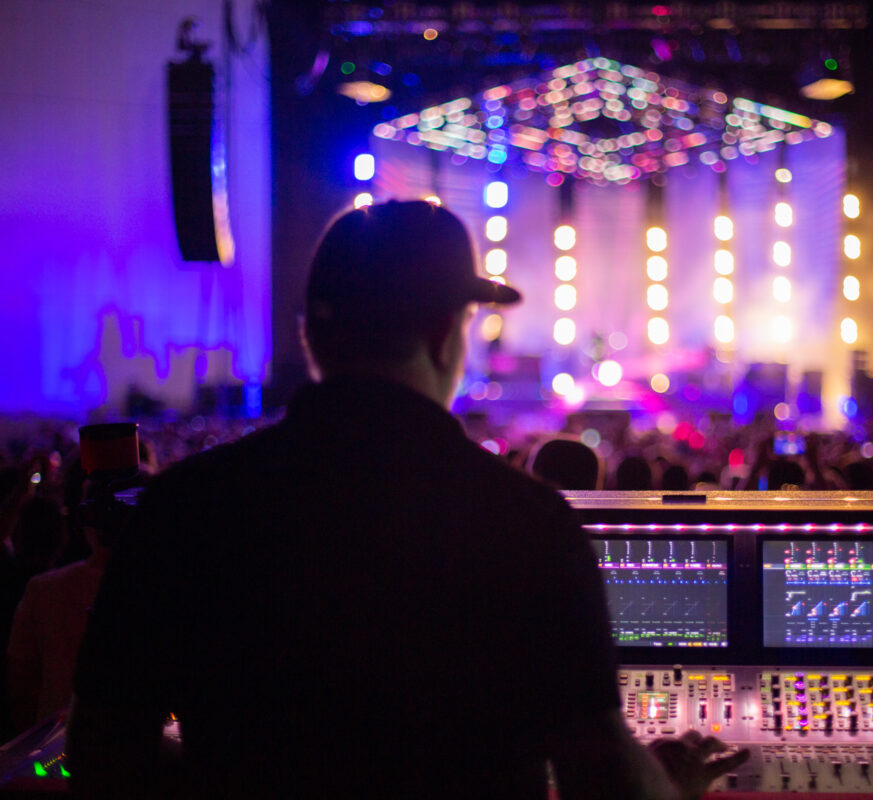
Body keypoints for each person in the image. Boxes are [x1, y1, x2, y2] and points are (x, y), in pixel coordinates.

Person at [68, 200, 746, 799]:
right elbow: (601, 780)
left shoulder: (184, 508)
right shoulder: (526, 523)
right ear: (445, 334)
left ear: (310, 336)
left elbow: (100, 755)